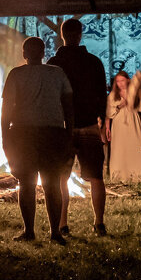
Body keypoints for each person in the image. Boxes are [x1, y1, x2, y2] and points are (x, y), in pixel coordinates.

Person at [1, 36, 73, 244]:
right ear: (44, 53)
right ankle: (55, 232)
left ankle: (29, 231)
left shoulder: (16, 75)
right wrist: (69, 134)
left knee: (27, 183)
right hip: (53, 132)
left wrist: (6, 137)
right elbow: (69, 106)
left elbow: (7, 110)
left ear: (24, 54)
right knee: (52, 184)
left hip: (24, 133)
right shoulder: (57, 74)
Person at [49, 18, 109, 236]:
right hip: (89, 124)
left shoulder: (55, 62)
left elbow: (51, 95)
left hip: (63, 126)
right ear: (80, 34)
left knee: (61, 177)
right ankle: (99, 222)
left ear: (63, 35)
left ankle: (62, 223)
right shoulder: (93, 62)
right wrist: (102, 119)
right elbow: (102, 94)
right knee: (96, 176)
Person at [106, 70, 141, 182]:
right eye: (118, 81)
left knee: (136, 145)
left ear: (128, 80)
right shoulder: (113, 95)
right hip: (119, 123)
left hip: (132, 122)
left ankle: (139, 175)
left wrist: (133, 100)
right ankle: (121, 175)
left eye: (122, 80)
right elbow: (109, 113)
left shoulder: (134, 93)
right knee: (120, 149)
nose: (120, 83)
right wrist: (119, 106)